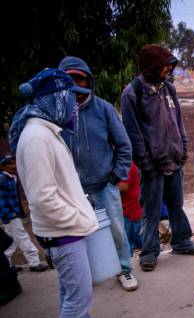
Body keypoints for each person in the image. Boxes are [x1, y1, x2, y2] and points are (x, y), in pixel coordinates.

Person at [10, 68, 116, 318]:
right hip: (62, 231)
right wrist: (82, 220)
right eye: (70, 99)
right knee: (79, 295)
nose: (74, 106)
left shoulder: (45, 131)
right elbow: (43, 199)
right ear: (54, 99)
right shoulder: (37, 139)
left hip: (63, 229)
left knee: (71, 291)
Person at [58, 56, 136, 291]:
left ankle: (125, 270)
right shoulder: (56, 112)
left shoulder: (103, 108)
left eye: (80, 79)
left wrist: (115, 176)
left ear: (88, 80)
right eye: (70, 80)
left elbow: (124, 145)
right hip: (71, 190)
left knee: (116, 229)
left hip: (104, 185)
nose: (76, 86)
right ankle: (90, 274)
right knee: (78, 235)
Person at [121, 44, 194, 272]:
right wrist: (145, 164)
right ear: (153, 66)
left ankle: (182, 242)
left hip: (174, 160)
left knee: (177, 206)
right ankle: (149, 252)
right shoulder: (132, 93)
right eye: (165, 64)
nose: (169, 69)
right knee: (151, 211)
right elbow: (133, 134)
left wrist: (183, 149)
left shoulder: (169, 89)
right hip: (152, 166)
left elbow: (178, 122)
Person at [0, 155, 48, 272]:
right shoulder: (2, 180)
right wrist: (9, 214)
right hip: (10, 214)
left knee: (11, 240)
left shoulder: (12, 177)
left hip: (14, 213)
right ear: (3, 166)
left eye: (14, 163)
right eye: (10, 164)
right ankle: (34, 263)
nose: (14, 166)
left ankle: (6, 264)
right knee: (23, 237)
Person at [118, 162, 143, 255]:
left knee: (129, 245)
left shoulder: (126, 165)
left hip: (131, 211)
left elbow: (124, 186)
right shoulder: (123, 164)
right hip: (129, 209)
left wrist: (107, 185)